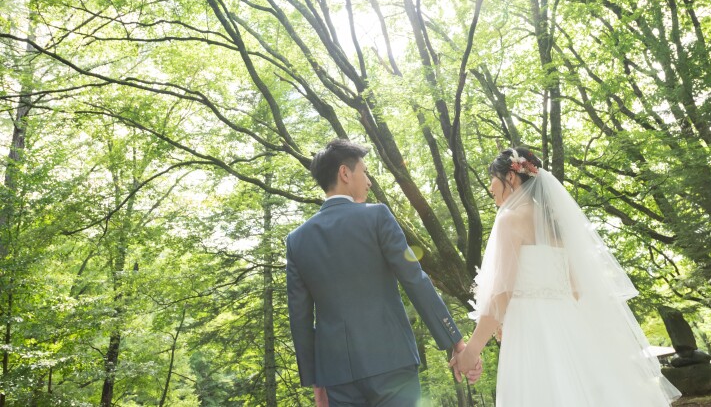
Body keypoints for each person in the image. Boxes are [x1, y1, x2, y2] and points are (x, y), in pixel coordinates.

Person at [450, 147, 681, 406]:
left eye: (493, 178)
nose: (490, 187)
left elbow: (502, 293)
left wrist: (471, 351)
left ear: (511, 177)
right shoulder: (554, 224)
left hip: (532, 335)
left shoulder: (510, 220)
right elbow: (576, 290)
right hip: (570, 331)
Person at [287, 139, 481, 407]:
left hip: (337, 376)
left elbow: (299, 317)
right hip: (393, 362)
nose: (368, 181)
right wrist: (456, 342)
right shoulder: (377, 216)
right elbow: (415, 279)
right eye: (364, 172)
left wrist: (316, 380)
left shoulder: (296, 240)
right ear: (345, 173)